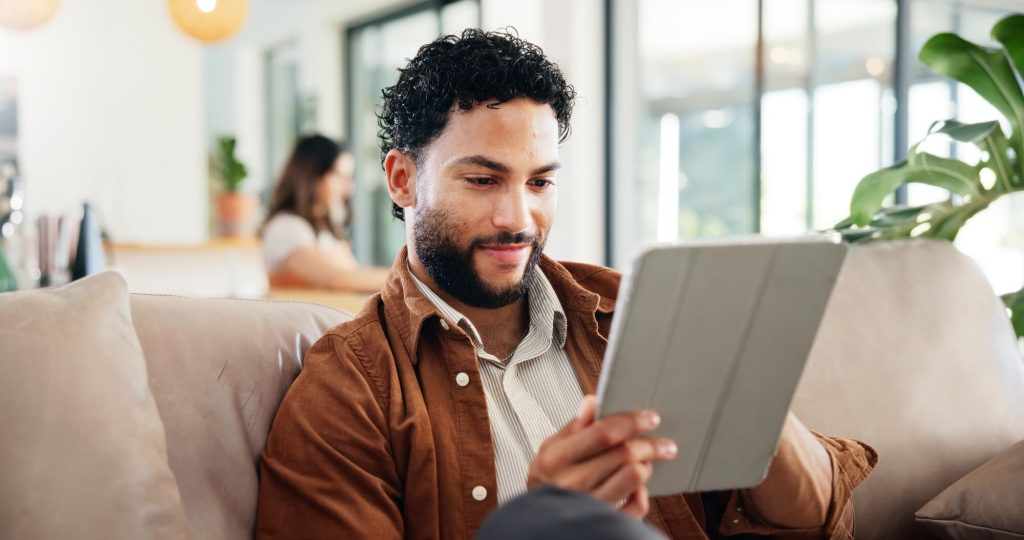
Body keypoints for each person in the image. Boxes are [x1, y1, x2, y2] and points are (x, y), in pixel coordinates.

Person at [257, 30, 877, 539]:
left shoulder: (635, 312)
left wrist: (750, 395)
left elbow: (821, 520)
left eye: (539, 182)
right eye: (482, 181)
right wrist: (544, 524)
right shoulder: (346, 392)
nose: (518, 219)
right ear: (401, 180)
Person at [261, 134, 388, 292]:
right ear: (312, 176)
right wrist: (407, 278)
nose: (349, 188)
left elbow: (352, 274)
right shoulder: (286, 227)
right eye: (340, 176)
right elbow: (337, 279)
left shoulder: (325, 227)